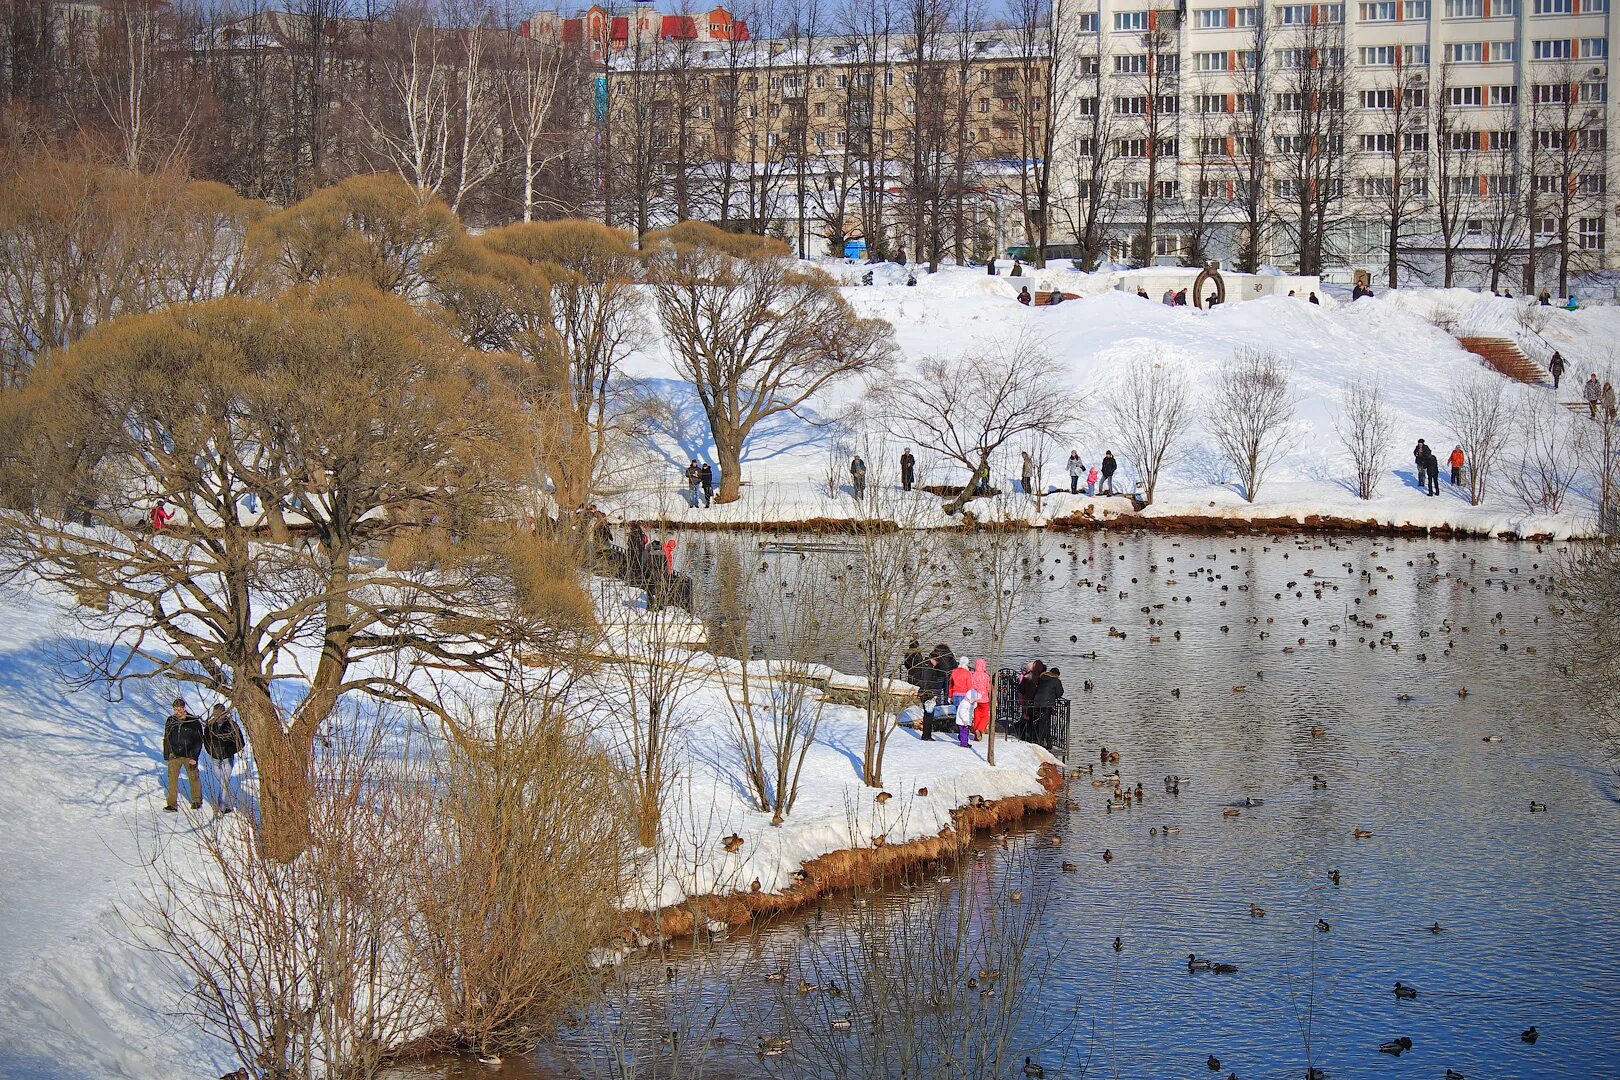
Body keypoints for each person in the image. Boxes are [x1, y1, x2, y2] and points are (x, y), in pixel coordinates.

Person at [162, 697, 204, 812]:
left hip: (189, 755)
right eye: (175, 709)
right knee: (172, 780)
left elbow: (199, 740)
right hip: (174, 755)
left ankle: (196, 800)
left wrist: (194, 757)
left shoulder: (193, 721)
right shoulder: (170, 720)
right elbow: (167, 737)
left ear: (184, 708)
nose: (177, 711)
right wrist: (167, 754)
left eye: (179, 709)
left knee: (193, 777)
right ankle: (172, 804)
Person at [201, 702, 245, 814]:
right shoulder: (210, 726)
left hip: (227, 758)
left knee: (224, 782)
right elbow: (205, 740)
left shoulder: (232, 725)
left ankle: (221, 807)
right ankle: (227, 803)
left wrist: (229, 751)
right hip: (215, 757)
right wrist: (211, 751)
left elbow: (241, 742)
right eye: (216, 714)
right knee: (222, 781)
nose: (218, 717)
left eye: (220, 714)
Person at [970, 659, 992, 740]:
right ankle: (979, 729)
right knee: (985, 716)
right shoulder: (986, 676)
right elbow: (988, 688)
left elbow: (970, 686)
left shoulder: (972, 675)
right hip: (984, 698)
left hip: (975, 698)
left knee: (977, 716)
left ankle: (976, 732)